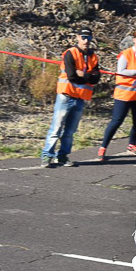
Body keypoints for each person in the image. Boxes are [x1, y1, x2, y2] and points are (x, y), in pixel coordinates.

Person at [41, 28, 101, 168]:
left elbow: (96, 79)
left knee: (70, 131)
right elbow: (71, 75)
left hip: (80, 98)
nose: (86, 40)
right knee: (56, 128)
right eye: (83, 37)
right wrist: (88, 77)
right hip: (66, 95)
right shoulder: (70, 53)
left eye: (88, 37)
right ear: (78, 37)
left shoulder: (93, 56)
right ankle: (47, 155)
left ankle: (62, 156)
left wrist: (83, 75)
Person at [97, 28, 136, 161]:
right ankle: (103, 147)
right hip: (124, 95)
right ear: (134, 40)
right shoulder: (126, 54)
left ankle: (132, 145)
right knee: (116, 121)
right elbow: (121, 71)